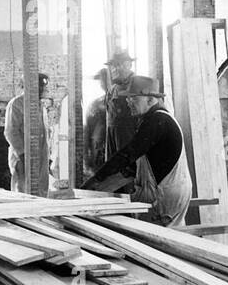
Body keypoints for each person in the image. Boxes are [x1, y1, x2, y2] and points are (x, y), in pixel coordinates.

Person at [83, 75, 193, 227]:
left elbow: (127, 155)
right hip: (169, 194)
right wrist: (94, 190)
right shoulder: (155, 120)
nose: (128, 102)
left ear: (150, 100)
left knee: (152, 243)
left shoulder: (157, 121)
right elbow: (131, 168)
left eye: (133, 98)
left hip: (163, 199)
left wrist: (96, 179)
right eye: (128, 99)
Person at [5, 74, 50, 195]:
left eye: (44, 87)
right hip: (23, 157)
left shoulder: (41, 106)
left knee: (41, 190)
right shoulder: (16, 104)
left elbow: (44, 134)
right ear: (29, 86)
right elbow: (11, 132)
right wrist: (23, 154)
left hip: (41, 156)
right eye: (40, 86)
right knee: (23, 191)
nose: (43, 90)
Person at [103, 49, 138, 160]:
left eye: (119, 65)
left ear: (129, 65)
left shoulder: (137, 85)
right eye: (113, 66)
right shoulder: (113, 89)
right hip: (113, 142)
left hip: (129, 142)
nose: (114, 69)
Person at [83, 67, 110, 180]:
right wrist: (86, 154)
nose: (102, 83)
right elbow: (87, 130)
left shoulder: (120, 102)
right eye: (101, 80)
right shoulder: (95, 104)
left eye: (104, 80)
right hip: (98, 147)